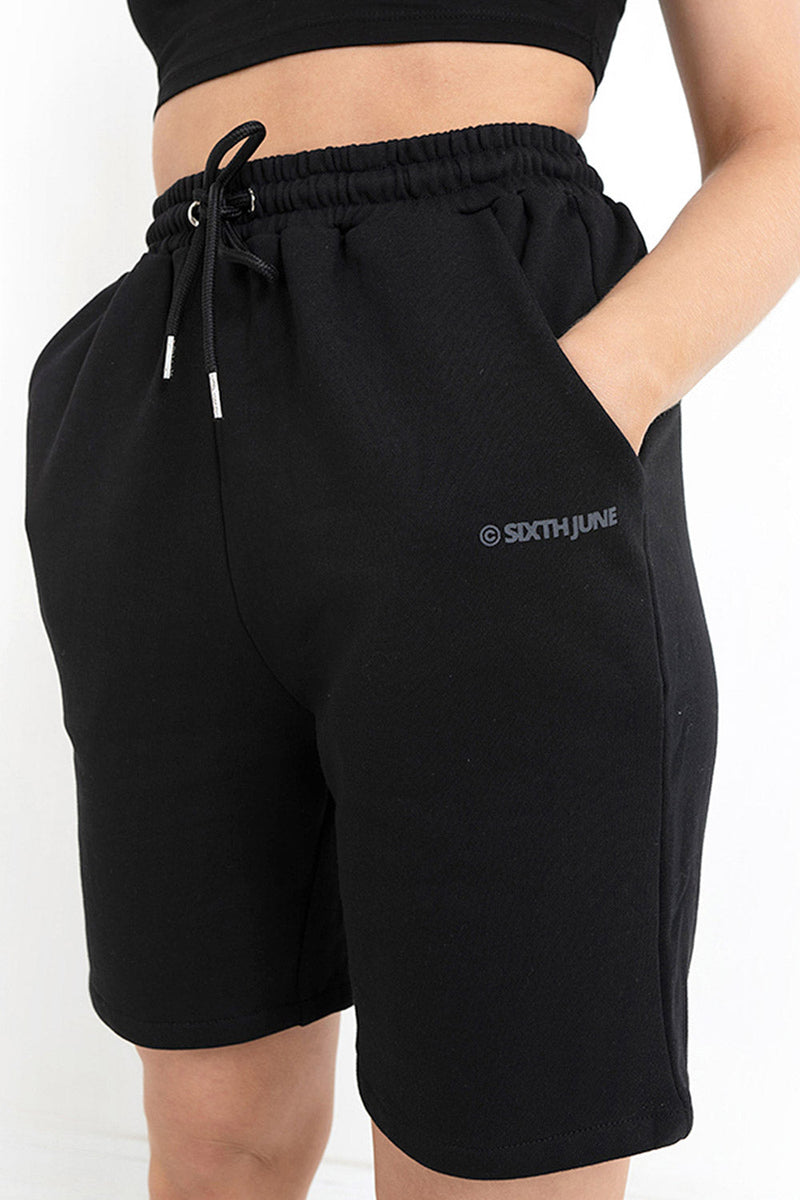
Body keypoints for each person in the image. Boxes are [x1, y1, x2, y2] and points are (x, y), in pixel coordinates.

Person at [23, 1, 800, 1197]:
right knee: (212, 1139)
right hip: (179, 371)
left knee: (498, 1149)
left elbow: (781, 129)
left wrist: (579, 401)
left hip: (493, 372)